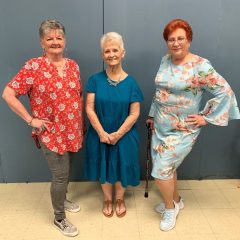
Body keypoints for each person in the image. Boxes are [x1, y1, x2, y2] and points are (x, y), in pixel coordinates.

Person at [146, 19, 240, 231]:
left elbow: (225, 92)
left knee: (161, 171)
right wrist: (152, 114)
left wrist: (205, 117)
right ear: (167, 42)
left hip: (183, 129)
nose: (176, 43)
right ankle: (177, 200)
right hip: (161, 125)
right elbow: (161, 91)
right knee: (168, 168)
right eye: (171, 39)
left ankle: (170, 209)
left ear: (189, 40)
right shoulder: (165, 60)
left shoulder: (200, 65)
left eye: (181, 38)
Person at [2, 19, 84, 237]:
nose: (55, 42)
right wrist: (31, 120)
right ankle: (59, 218)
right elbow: (8, 94)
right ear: (42, 43)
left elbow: (77, 96)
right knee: (59, 175)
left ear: (64, 40)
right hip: (51, 133)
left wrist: (80, 124)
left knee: (67, 170)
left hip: (73, 130)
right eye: (50, 38)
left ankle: (63, 198)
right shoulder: (33, 67)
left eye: (59, 37)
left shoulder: (73, 65)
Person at [85, 32, 143, 218]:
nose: (111, 54)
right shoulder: (94, 80)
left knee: (122, 166)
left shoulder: (132, 82)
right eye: (106, 51)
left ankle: (120, 198)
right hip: (99, 134)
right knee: (104, 164)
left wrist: (117, 134)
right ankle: (107, 199)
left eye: (115, 50)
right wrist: (102, 133)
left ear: (122, 52)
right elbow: (89, 108)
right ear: (102, 55)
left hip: (125, 135)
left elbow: (134, 113)